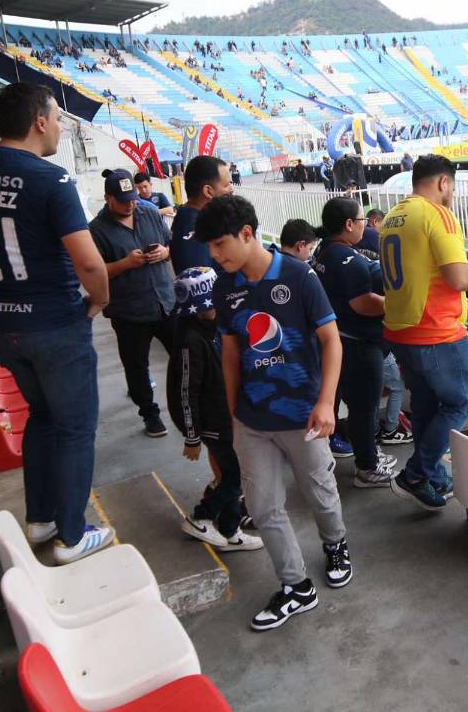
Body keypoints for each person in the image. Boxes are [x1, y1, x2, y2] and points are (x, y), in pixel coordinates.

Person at [0, 83, 114, 563]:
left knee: (42, 415)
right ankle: (72, 536)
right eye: (56, 119)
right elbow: (90, 262)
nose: (59, 128)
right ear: (39, 121)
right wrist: (99, 300)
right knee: (75, 428)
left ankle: (40, 518)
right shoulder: (52, 180)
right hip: (54, 322)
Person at [198, 195, 349, 631]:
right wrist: (234, 413)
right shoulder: (225, 286)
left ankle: (335, 544)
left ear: (247, 234)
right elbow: (230, 353)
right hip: (253, 420)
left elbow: (332, 340)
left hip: (304, 416)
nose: (215, 255)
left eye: (220, 244)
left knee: (320, 491)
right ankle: (296, 586)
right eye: (210, 247)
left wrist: (326, 402)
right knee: (264, 507)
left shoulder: (299, 276)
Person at [381, 154, 468, 511]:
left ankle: (435, 478)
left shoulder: (394, 215)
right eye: (452, 188)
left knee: (426, 407)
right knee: (461, 402)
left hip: (401, 330)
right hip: (437, 331)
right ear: (443, 182)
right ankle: (415, 475)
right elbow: (458, 279)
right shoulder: (437, 213)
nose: (452, 195)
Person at [167, 266, 263, 552]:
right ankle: (201, 516)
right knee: (235, 475)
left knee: (235, 474)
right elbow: (186, 392)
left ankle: (230, 530)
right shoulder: (190, 342)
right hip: (212, 422)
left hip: (227, 415)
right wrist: (192, 437)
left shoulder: (215, 327)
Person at [310, 197, 398, 487]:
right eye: (362, 221)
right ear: (349, 224)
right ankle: (367, 467)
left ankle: (368, 454)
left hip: (340, 340)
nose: (365, 226)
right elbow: (363, 304)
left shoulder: (325, 250)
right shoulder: (346, 260)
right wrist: (397, 304)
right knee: (365, 406)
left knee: (359, 404)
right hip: (358, 344)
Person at [88, 169, 175, 438]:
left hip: (165, 302)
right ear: (108, 199)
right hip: (129, 311)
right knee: (136, 366)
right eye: (124, 201)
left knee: (184, 355)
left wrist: (165, 252)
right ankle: (149, 413)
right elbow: (95, 272)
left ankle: (191, 403)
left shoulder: (149, 212)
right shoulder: (96, 230)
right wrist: (125, 264)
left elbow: (170, 244)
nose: (131, 205)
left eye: (133, 199)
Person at [172, 155, 233, 275]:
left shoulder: (200, 220)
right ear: (208, 191)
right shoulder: (194, 230)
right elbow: (202, 281)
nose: (231, 189)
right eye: (226, 185)